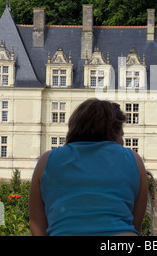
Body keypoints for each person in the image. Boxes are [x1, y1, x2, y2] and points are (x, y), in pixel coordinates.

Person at [29, 98, 148, 236]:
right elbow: (135, 225)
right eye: (121, 136)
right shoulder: (133, 160)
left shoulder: (46, 161)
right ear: (113, 132)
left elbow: (37, 228)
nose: (122, 142)